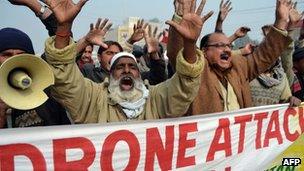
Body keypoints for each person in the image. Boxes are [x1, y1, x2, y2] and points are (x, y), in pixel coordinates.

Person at [43, 0, 207, 123]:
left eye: (132, 66)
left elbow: (186, 83)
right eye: (120, 66)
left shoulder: (155, 98)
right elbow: (63, 76)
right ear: (111, 73)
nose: (127, 70)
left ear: (139, 73)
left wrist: (190, 44)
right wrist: (63, 27)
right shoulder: (93, 98)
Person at [167, 0, 298, 115]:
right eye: (219, 45)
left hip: (240, 141)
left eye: (229, 46)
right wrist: (181, 20)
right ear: (204, 51)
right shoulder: (197, 71)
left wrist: (280, 21)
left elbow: (265, 55)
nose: (227, 50)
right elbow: (179, 55)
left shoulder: (240, 66)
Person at [0, 27, 71, 128]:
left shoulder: (46, 92)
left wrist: (63, 24)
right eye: (7, 55)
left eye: (21, 55)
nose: (14, 59)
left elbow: (62, 51)